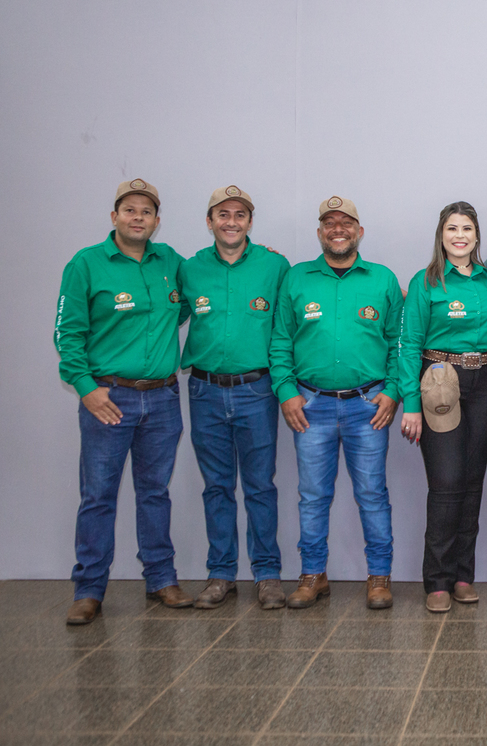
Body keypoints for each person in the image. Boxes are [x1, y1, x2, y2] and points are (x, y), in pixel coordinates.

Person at [55, 179, 193, 624]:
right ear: (114, 216)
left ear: (156, 220)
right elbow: (67, 333)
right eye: (130, 210)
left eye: (146, 211)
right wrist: (86, 387)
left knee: (155, 493)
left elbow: (196, 296)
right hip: (108, 399)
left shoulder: (170, 261)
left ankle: (161, 579)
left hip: (162, 398)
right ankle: (89, 589)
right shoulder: (86, 264)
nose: (138, 217)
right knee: (98, 496)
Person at [269, 196, 402, 610]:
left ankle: (379, 577)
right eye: (330, 223)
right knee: (312, 496)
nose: (338, 229)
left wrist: (393, 390)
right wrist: (286, 392)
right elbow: (280, 340)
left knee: (372, 494)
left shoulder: (382, 279)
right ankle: (313, 575)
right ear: (319, 232)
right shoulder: (296, 278)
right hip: (311, 406)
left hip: (368, 407)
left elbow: (399, 343)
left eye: (346, 223)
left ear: (359, 232)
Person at [180, 186, 291, 610]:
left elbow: (288, 325)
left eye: (240, 215)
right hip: (205, 390)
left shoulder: (274, 265)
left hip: (256, 391)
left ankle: (267, 574)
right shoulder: (189, 269)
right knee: (217, 487)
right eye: (223, 214)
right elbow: (163, 314)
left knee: (260, 485)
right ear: (210, 221)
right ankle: (221, 574)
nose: (231, 221)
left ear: (250, 222)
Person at [399, 202, 487, 614]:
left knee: (473, 482)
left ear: (477, 236)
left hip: (486, 382)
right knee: (446, 482)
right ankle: (438, 580)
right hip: (440, 382)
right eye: (452, 229)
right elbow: (409, 345)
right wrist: (410, 404)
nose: (459, 236)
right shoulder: (425, 282)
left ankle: (463, 576)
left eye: (467, 229)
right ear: (441, 236)